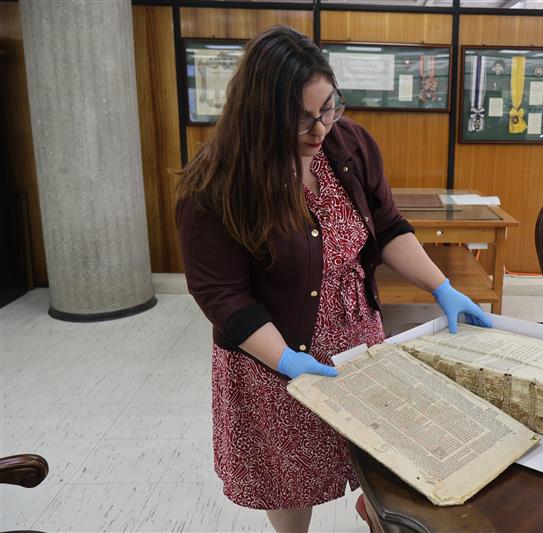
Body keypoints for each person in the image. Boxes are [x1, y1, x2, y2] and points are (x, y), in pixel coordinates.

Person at [175, 25, 491, 533]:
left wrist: (442, 287)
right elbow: (223, 296)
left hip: (355, 337)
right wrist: (284, 359)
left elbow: (386, 228)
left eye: (328, 108)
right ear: (259, 116)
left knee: (375, 454)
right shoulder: (217, 185)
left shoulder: (347, 144)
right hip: (273, 356)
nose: (320, 129)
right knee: (290, 474)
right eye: (301, 120)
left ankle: (378, 514)